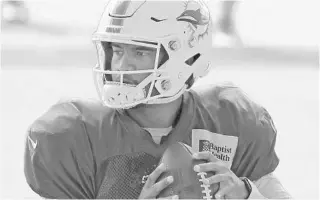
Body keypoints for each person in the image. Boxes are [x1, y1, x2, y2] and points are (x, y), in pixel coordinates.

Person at [24, 0, 292, 199]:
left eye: (140, 53)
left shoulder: (231, 121)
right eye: (117, 50)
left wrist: (247, 195)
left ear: (185, 56)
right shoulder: (75, 135)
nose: (122, 66)